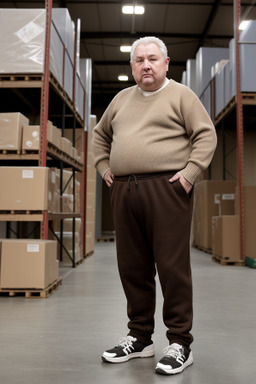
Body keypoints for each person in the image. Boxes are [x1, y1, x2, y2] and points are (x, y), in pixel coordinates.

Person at [92, 36, 217, 375]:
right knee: (132, 267)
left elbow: (206, 134)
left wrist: (190, 173)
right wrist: (104, 168)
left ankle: (180, 342)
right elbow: (99, 135)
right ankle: (140, 337)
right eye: (139, 60)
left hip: (167, 190)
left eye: (152, 59)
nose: (145, 65)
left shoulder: (181, 96)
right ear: (132, 66)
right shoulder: (120, 99)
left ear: (166, 63)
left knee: (172, 267)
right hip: (124, 190)